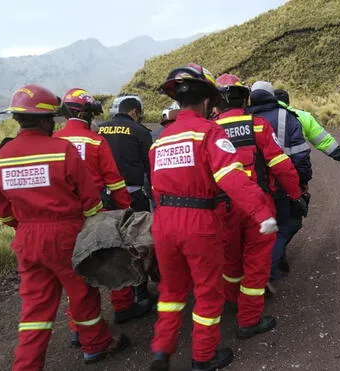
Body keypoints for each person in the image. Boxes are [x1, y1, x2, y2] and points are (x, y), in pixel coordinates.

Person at [0, 84, 129, 370]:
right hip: (66, 233)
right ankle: (95, 344)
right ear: (44, 119)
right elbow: (89, 199)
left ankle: (26, 365)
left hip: (27, 238)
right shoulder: (61, 150)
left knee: (35, 308)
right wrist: (91, 226)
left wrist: (22, 226)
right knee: (82, 291)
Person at [149, 64, 277, 371]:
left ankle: (161, 351)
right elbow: (232, 178)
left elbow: (154, 187)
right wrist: (261, 213)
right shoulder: (209, 132)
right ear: (208, 101)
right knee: (207, 291)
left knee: (171, 291)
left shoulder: (161, 139)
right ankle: (203, 357)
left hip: (164, 222)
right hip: (198, 221)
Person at [52, 88, 151, 342]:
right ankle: (123, 306)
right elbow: (114, 181)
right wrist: (123, 210)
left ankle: (78, 328)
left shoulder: (55, 143)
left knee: (76, 275)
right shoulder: (96, 142)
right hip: (99, 211)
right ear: (87, 115)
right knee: (116, 257)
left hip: (65, 217)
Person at [214, 74, 306, 338]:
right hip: (257, 204)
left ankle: (233, 299)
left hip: (224, 207)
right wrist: (295, 193)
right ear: (245, 99)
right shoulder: (258, 126)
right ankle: (249, 319)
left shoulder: (210, 129)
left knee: (230, 261)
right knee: (256, 264)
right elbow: (282, 166)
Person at [246, 81, 312, 289]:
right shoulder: (287, 117)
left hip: (250, 188)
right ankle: (265, 273)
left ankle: (264, 266)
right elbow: (300, 154)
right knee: (287, 225)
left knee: (257, 233)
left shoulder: (243, 118)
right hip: (282, 185)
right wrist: (302, 181)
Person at [97, 94, 154, 304]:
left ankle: (122, 295)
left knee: (115, 245)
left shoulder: (100, 129)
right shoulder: (140, 131)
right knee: (139, 242)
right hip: (133, 195)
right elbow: (151, 167)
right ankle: (141, 290)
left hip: (105, 199)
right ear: (134, 112)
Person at [274, 89, 340, 171]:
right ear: (288, 103)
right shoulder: (303, 117)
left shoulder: (261, 116)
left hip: (267, 173)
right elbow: (324, 141)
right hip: (295, 169)